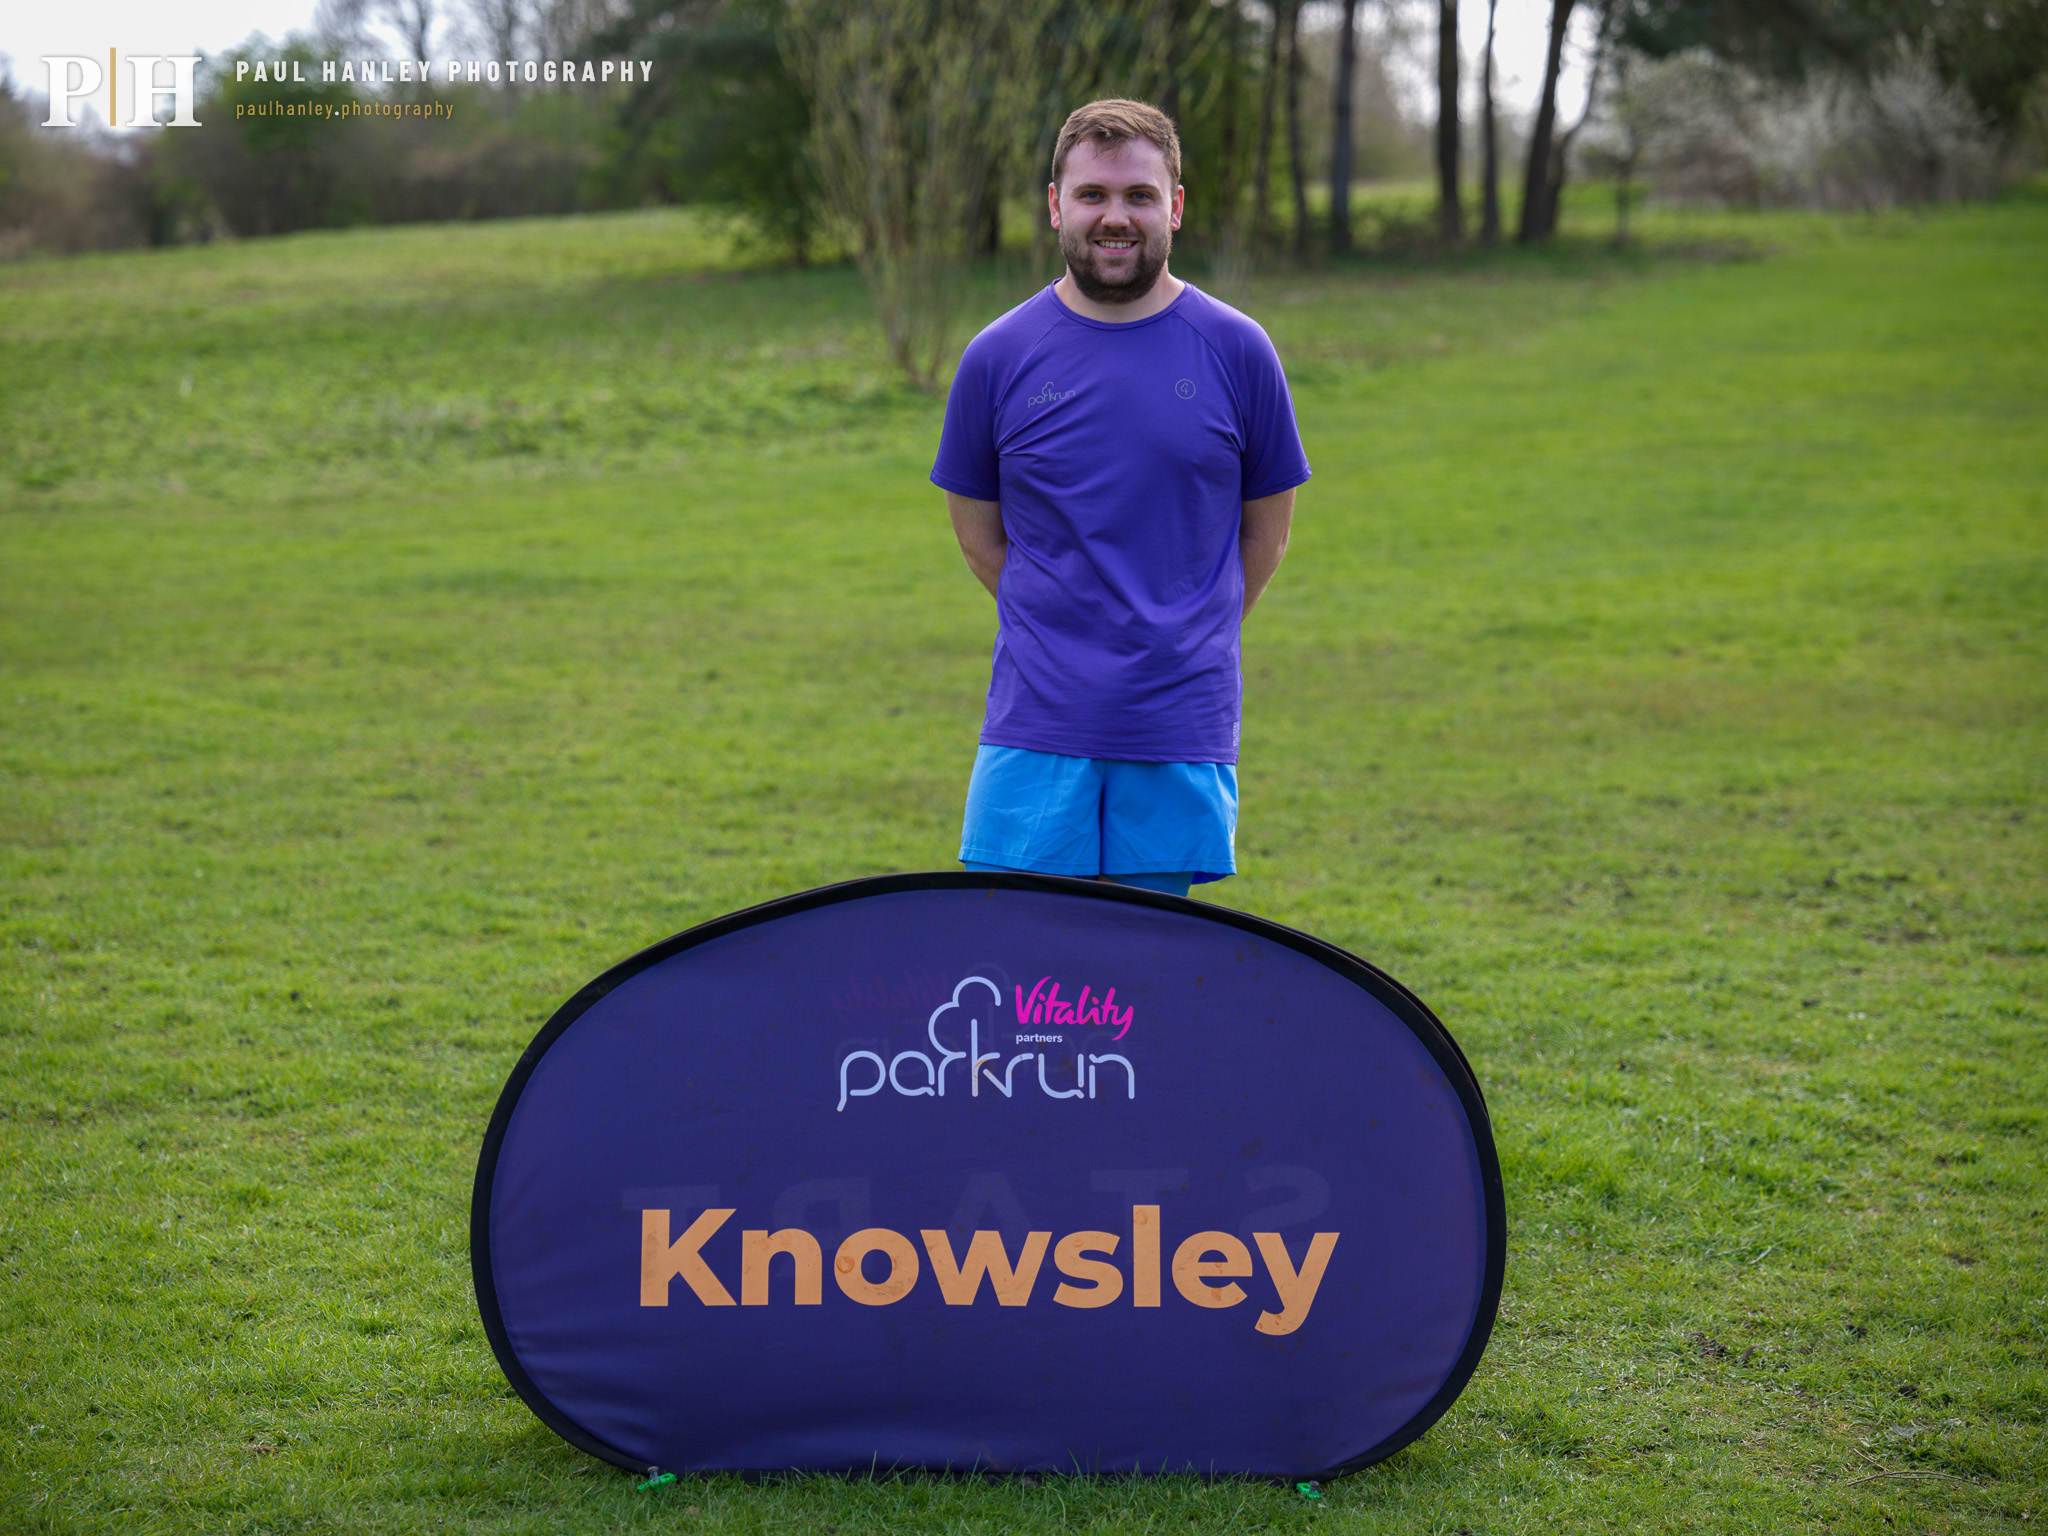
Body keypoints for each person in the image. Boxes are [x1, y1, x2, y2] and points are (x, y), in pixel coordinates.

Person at [931, 98, 1310, 901]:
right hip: (1035, 722)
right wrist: (1063, 623)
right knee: (1025, 978)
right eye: (1093, 194)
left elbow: (1266, 536)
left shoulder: (1239, 350)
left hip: (1178, 724)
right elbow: (977, 537)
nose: (1116, 216)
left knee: (1147, 985)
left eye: (1139, 195)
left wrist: (1183, 633)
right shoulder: (996, 357)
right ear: (1054, 205)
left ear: (1174, 205)